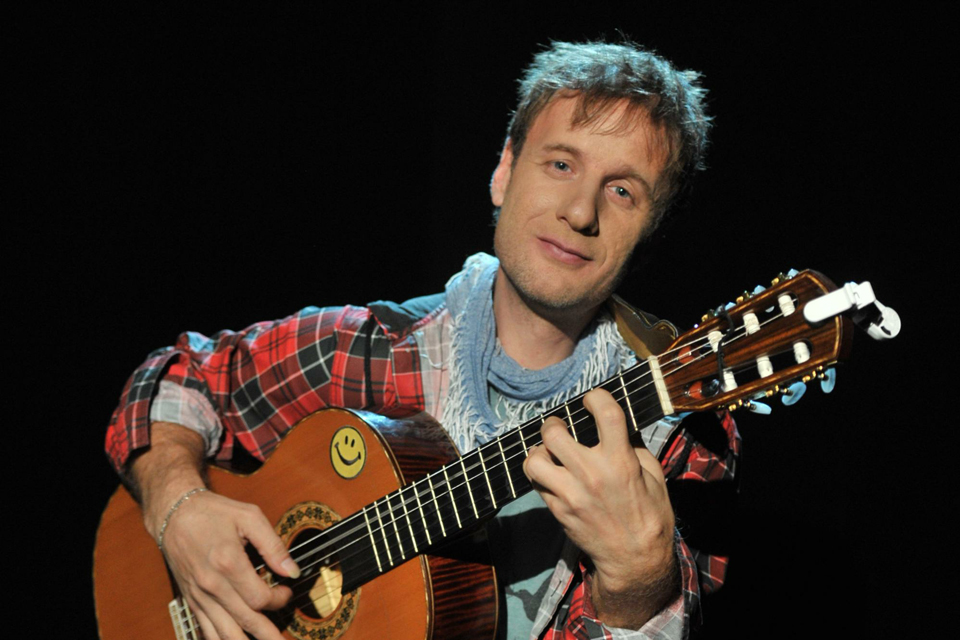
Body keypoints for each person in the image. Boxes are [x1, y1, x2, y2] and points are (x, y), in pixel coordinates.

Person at [105, 40, 739, 640]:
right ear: (504, 171)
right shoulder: (366, 350)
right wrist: (178, 507)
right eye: (561, 164)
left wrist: (638, 583)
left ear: (650, 233)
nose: (579, 212)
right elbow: (176, 378)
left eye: (622, 191)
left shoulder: (679, 434)